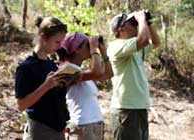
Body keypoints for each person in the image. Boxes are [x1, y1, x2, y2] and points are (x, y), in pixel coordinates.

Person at [15, 16, 74, 140]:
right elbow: (21, 105)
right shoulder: (26, 67)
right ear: (43, 37)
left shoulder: (52, 64)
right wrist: (46, 86)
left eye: (61, 42)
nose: (59, 47)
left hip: (58, 130)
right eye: (57, 42)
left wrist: (69, 82)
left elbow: (54, 98)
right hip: (39, 130)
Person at [107, 10, 160, 140]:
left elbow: (156, 42)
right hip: (125, 109)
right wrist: (141, 18)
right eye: (131, 23)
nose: (135, 25)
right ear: (120, 29)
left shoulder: (134, 48)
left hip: (139, 107)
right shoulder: (116, 46)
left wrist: (147, 22)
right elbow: (143, 40)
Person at [56, 32, 113, 140]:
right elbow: (96, 72)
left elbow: (108, 74)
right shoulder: (67, 71)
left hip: (95, 125)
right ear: (77, 49)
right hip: (81, 126)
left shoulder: (83, 70)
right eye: (87, 44)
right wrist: (94, 51)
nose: (90, 47)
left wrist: (104, 52)